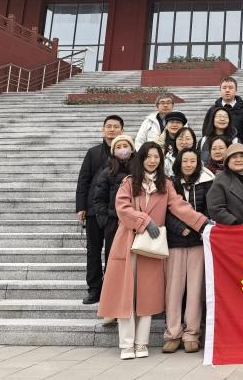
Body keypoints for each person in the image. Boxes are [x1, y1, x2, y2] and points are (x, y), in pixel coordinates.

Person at [98, 142, 209, 360]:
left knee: (146, 295)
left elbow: (179, 206)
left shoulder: (165, 184)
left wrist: (203, 223)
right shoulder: (129, 182)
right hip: (128, 242)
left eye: (156, 157)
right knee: (127, 295)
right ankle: (127, 344)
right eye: (148, 156)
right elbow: (122, 208)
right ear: (141, 159)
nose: (152, 160)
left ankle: (141, 342)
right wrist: (145, 221)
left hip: (152, 246)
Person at [162, 147, 213, 354]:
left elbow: (209, 210)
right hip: (176, 241)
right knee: (174, 290)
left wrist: (200, 229)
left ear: (198, 163)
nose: (189, 164)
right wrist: (179, 228)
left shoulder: (207, 183)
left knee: (195, 289)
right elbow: (164, 211)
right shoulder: (170, 184)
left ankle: (192, 333)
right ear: (179, 163)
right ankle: (173, 332)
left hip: (198, 243)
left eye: (193, 161)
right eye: (185, 161)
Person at [76, 114, 123, 304]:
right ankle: (94, 289)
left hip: (116, 212)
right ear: (103, 130)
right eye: (108, 126)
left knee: (113, 251)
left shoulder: (126, 153)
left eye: (116, 127)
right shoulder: (93, 152)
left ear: (122, 130)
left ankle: (111, 289)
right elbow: (83, 180)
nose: (112, 130)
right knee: (93, 250)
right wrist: (81, 207)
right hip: (93, 210)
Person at [89, 133, 134, 304]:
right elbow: (98, 199)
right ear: (113, 151)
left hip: (135, 223)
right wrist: (106, 221)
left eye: (126, 146)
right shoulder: (107, 172)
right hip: (114, 224)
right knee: (113, 261)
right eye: (119, 147)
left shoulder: (139, 170)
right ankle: (111, 300)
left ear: (132, 149)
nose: (123, 150)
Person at [207, 143, 243, 225]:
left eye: (242, 156)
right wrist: (234, 222)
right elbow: (215, 208)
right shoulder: (220, 180)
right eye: (234, 157)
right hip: (231, 229)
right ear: (228, 161)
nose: (239, 160)